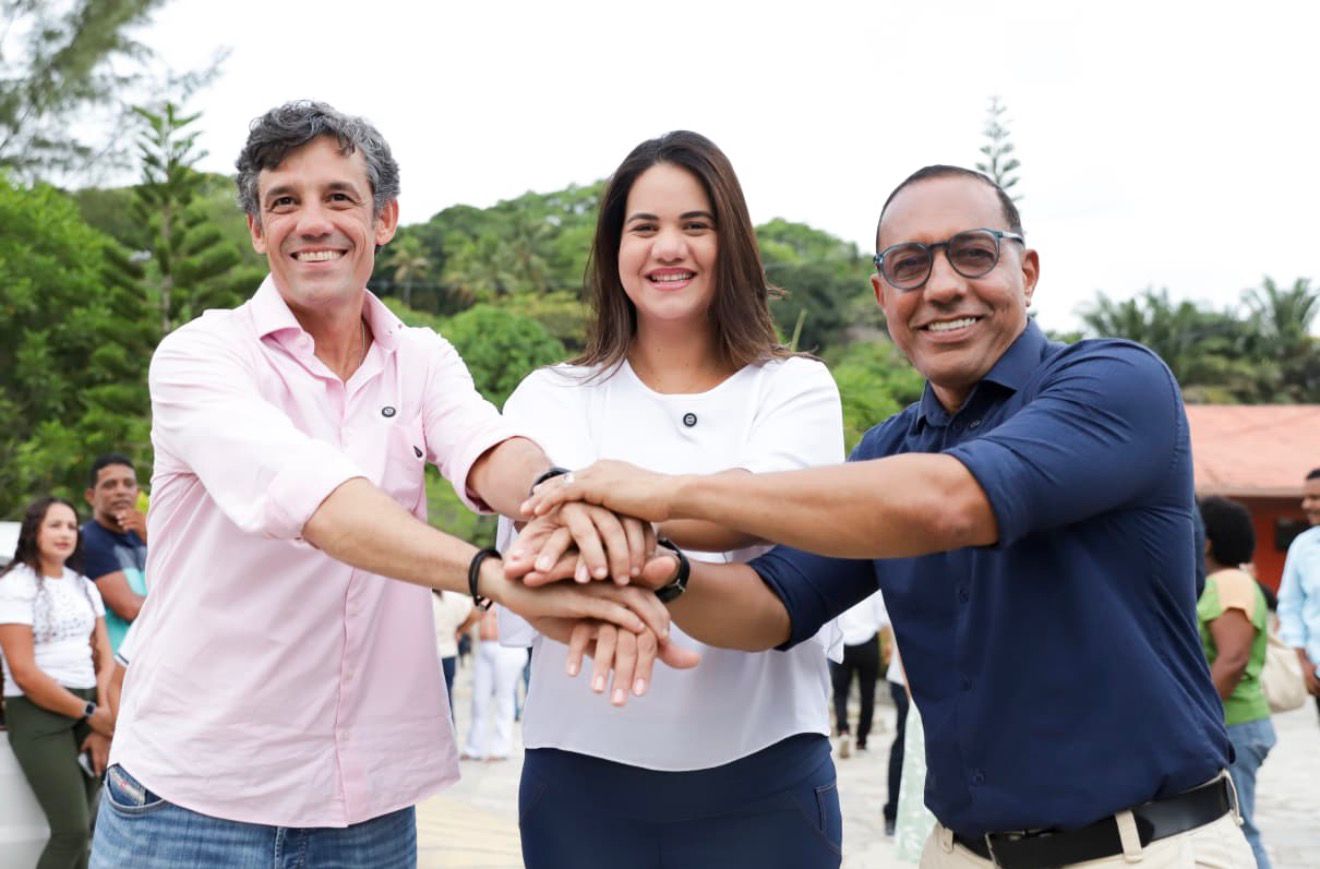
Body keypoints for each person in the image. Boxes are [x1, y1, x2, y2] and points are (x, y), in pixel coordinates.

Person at [516, 165, 1253, 867]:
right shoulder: (888, 451)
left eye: (973, 254)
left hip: (1143, 847)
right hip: (963, 852)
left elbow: (949, 502)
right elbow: (770, 607)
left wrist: (666, 495)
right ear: (881, 294)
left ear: (1026, 272)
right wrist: (658, 567)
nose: (942, 286)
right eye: (909, 265)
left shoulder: (1116, 384)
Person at [89, 101, 684, 869]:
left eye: (339, 197)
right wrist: (492, 576)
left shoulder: (422, 358)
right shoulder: (200, 355)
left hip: (365, 811)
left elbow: (486, 447)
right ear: (257, 229)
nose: (313, 222)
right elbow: (317, 500)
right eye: (284, 201)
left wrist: (560, 499)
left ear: (385, 219)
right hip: (190, 804)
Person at [499, 131, 846, 868]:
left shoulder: (796, 387)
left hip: (767, 781)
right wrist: (605, 523)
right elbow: (538, 552)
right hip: (580, 783)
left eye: (696, 225)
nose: (669, 248)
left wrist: (616, 514)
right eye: (644, 227)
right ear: (613, 247)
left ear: (733, 241)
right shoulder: (550, 394)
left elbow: (771, 506)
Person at [0, 497, 115, 869]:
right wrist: (91, 713)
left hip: (91, 710)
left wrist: (104, 722)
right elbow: (24, 672)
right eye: (54, 525)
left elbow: (105, 658)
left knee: (87, 837)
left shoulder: (85, 586)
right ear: (34, 531)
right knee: (72, 833)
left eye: (70, 526)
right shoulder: (15, 585)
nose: (65, 533)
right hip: (38, 713)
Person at [1197, 496, 1274, 868]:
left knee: (1239, 830)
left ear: (1206, 542)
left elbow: (1233, 660)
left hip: (1234, 724)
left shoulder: (1228, 584)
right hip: (1234, 723)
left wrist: (1196, 717)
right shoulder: (1223, 582)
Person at [80, 454, 148, 654]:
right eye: (110, 485)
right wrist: (181, 601)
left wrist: (152, 537)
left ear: (138, 493)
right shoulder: (88, 540)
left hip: (154, 656)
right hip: (118, 663)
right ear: (91, 496)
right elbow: (130, 608)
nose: (121, 491)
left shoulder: (145, 535)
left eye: (128, 484)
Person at [1278, 466, 1320, 721]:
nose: (1306, 505)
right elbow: (1290, 607)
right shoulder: (1303, 546)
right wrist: (1301, 662)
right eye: (1305, 497)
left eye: (1315, 498)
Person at [462, 607, 525, 761]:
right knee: (479, 699)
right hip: (484, 646)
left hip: (507, 648)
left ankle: (501, 749)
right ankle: (474, 748)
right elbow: (473, 614)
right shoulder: (483, 598)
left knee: (504, 698)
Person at [831, 591, 885, 759]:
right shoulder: (873, 587)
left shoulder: (838, 583)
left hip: (843, 642)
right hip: (868, 642)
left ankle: (844, 730)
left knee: (840, 693)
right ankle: (861, 741)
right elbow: (882, 618)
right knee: (867, 695)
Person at [431, 589, 475, 720]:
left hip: (431, 655)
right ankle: (450, 727)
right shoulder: (454, 597)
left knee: (429, 698)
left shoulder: (425, 601)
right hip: (449, 653)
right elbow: (477, 611)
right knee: (447, 696)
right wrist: (461, 630)